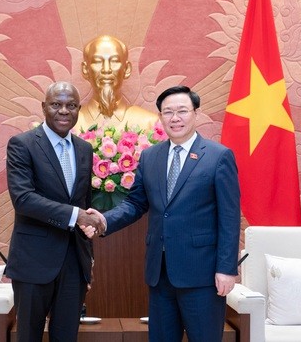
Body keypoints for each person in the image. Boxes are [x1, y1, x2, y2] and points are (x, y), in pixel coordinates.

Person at [83, 85, 241, 342]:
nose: (175, 118)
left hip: (202, 274)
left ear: (195, 113)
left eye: (182, 111)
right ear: (160, 117)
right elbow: (135, 203)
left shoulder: (218, 156)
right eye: (168, 112)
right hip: (160, 273)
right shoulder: (150, 156)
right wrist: (103, 220)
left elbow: (230, 218)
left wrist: (226, 269)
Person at [5, 81, 104, 341]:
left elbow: (84, 201)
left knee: (67, 336)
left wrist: (88, 259)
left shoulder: (85, 149)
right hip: (33, 261)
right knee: (28, 335)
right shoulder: (22, 144)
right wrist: (76, 215)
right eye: (56, 104)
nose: (63, 111)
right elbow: (23, 199)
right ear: (43, 108)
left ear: (78, 110)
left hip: (74, 262)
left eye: (70, 105)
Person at [77, 35, 159, 131]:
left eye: (114, 61)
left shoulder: (150, 123)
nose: (106, 69)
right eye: (97, 61)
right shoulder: (71, 125)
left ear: (127, 69)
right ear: (85, 70)